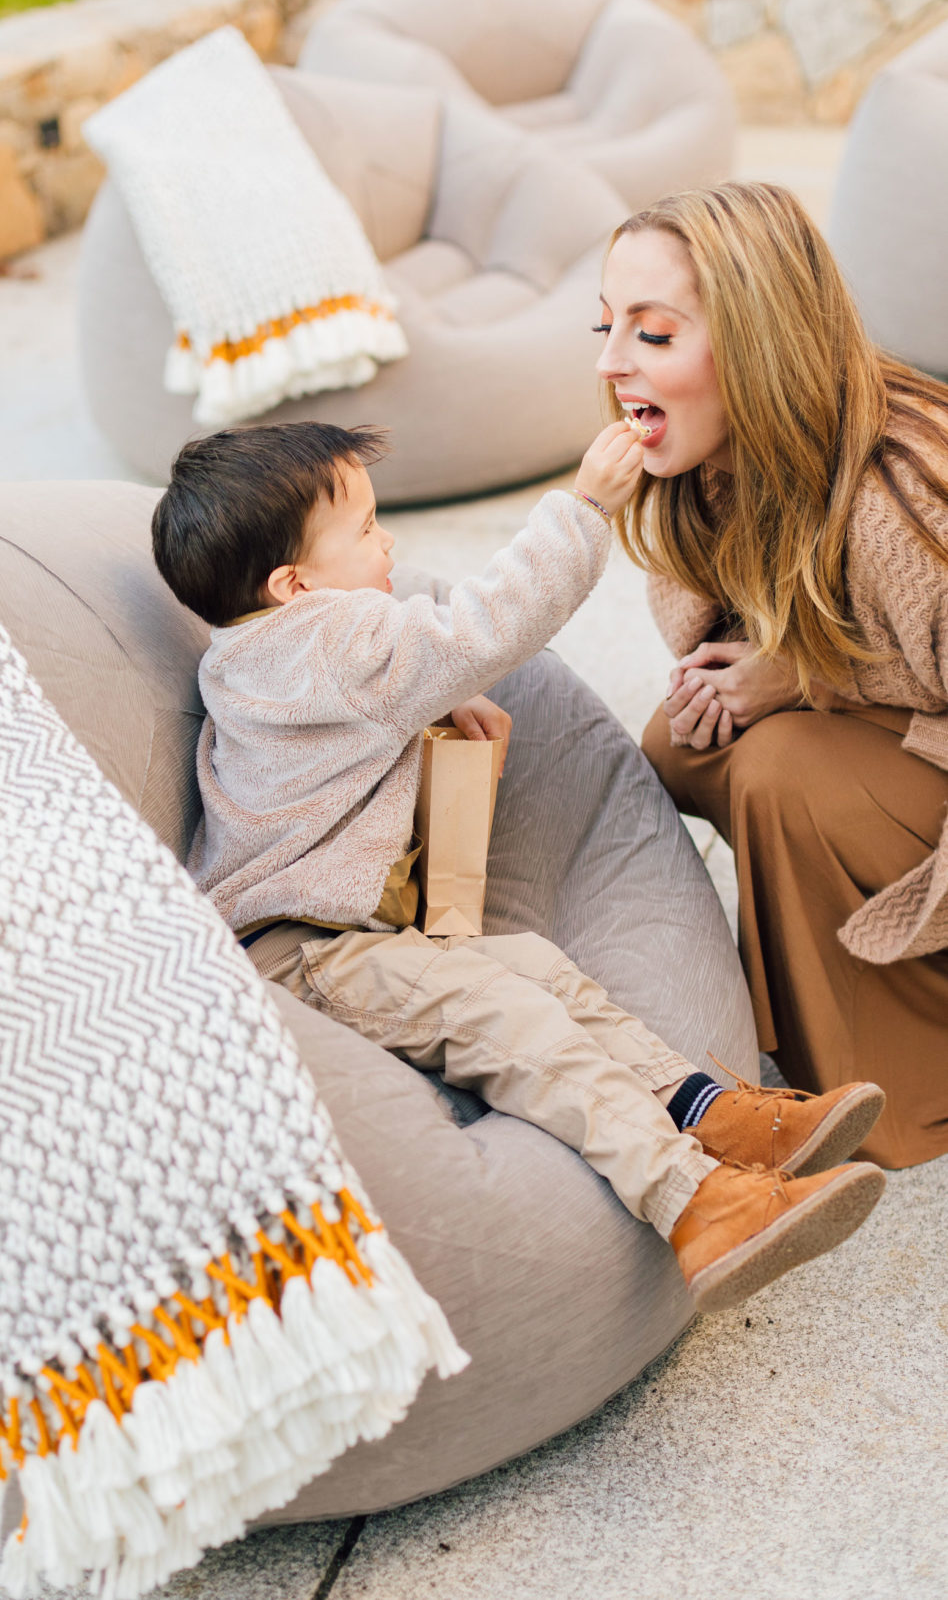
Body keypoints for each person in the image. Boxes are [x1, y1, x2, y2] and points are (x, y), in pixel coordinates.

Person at [151, 419, 886, 1313]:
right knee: (515, 1021)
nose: (391, 545)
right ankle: (699, 1202)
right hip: (304, 957)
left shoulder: (258, 658)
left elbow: (393, 721)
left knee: (537, 969)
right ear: (295, 585)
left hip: (345, 947)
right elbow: (483, 627)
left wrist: (448, 727)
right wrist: (585, 509)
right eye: (367, 529)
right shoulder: (330, 639)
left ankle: (708, 1111)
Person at [594, 180, 948, 1169]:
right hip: (889, 716)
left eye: (651, 336)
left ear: (752, 342)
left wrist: (810, 683)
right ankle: (805, 1014)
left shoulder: (899, 496)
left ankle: (899, 1080)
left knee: (780, 771)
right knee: (684, 738)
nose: (608, 362)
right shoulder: (712, 472)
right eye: (605, 324)